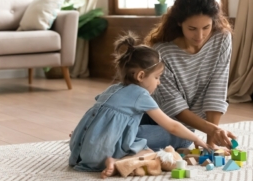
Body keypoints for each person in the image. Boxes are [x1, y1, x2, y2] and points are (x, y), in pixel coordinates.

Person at [69, 32, 226, 179]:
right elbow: (172, 127)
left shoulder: (113, 88)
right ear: (141, 76)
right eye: (157, 77)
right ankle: (118, 162)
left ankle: (111, 157)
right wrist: (197, 139)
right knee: (171, 143)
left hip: (79, 150)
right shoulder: (140, 95)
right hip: (101, 153)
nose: (159, 82)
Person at [137, 0, 234, 151]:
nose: (200, 35)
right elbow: (174, 107)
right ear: (179, 23)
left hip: (181, 126)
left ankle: (113, 138)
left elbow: (217, 89)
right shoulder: (162, 51)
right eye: (192, 28)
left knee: (184, 136)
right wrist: (211, 129)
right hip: (152, 114)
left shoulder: (222, 38)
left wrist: (211, 141)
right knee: (181, 137)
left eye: (206, 27)